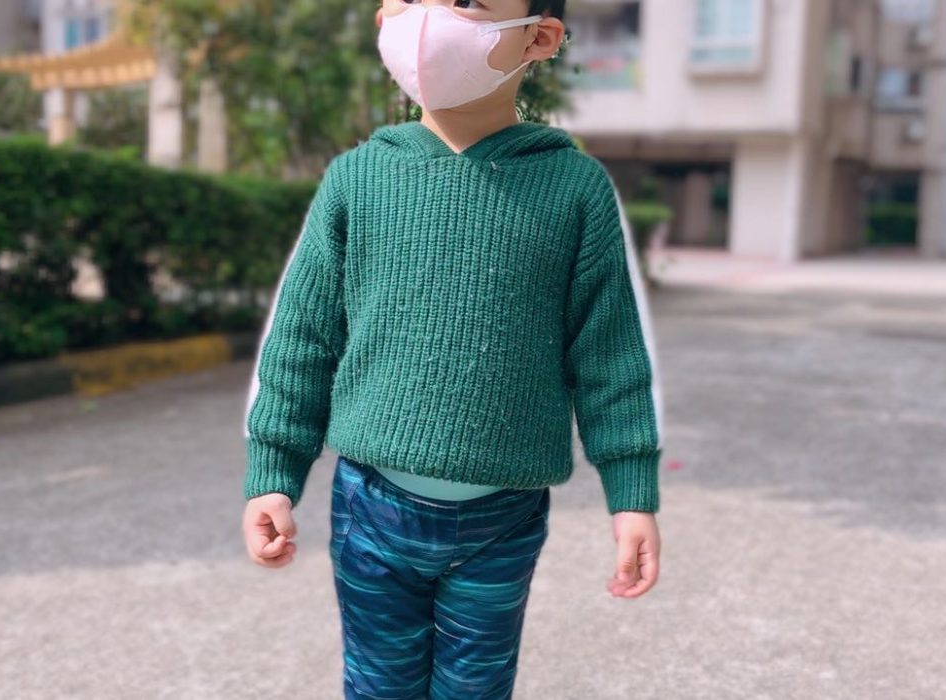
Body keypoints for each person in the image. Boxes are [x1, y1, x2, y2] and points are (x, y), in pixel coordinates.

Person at [241, 0, 665, 697]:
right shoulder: (356, 179)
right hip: (371, 502)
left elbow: (608, 354)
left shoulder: (574, 189)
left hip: (504, 514)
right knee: (378, 685)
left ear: (539, 37)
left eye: (467, 2)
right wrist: (273, 473)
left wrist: (632, 495)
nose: (432, 20)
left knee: (477, 689)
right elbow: (303, 336)